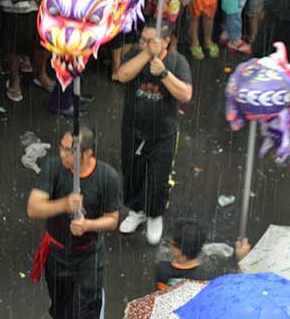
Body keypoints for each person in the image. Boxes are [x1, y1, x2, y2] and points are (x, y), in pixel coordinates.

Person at [27, 127, 121, 319]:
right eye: (61, 147)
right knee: (60, 308)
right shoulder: (53, 168)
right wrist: (64, 204)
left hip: (89, 255)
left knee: (86, 309)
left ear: (87, 154)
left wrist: (88, 226)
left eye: (69, 151)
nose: (63, 154)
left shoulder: (107, 177)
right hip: (57, 255)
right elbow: (34, 208)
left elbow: (112, 220)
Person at [115, 21, 193, 245]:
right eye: (143, 40)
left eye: (151, 41)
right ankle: (136, 209)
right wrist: (147, 53)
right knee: (132, 172)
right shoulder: (135, 56)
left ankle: (154, 214)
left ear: (166, 41)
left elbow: (185, 94)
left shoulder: (177, 62)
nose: (145, 45)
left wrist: (164, 73)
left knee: (158, 178)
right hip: (133, 128)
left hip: (163, 133)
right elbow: (122, 75)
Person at [156, 218, 250, 289]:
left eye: (170, 243)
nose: (168, 245)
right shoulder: (211, 275)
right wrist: (243, 260)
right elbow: (238, 288)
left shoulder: (163, 270)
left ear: (179, 250)